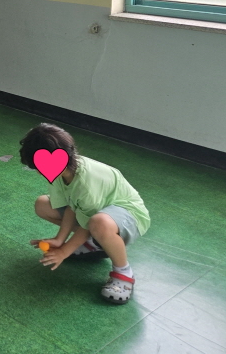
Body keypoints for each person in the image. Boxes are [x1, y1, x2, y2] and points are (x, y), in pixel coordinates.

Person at [20, 123, 151, 305]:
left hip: (130, 217)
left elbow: (88, 224)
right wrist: (60, 240)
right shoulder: (60, 170)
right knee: (42, 204)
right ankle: (93, 245)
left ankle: (124, 273)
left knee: (99, 223)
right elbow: (72, 207)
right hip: (97, 216)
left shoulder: (86, 182)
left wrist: (65, 251)